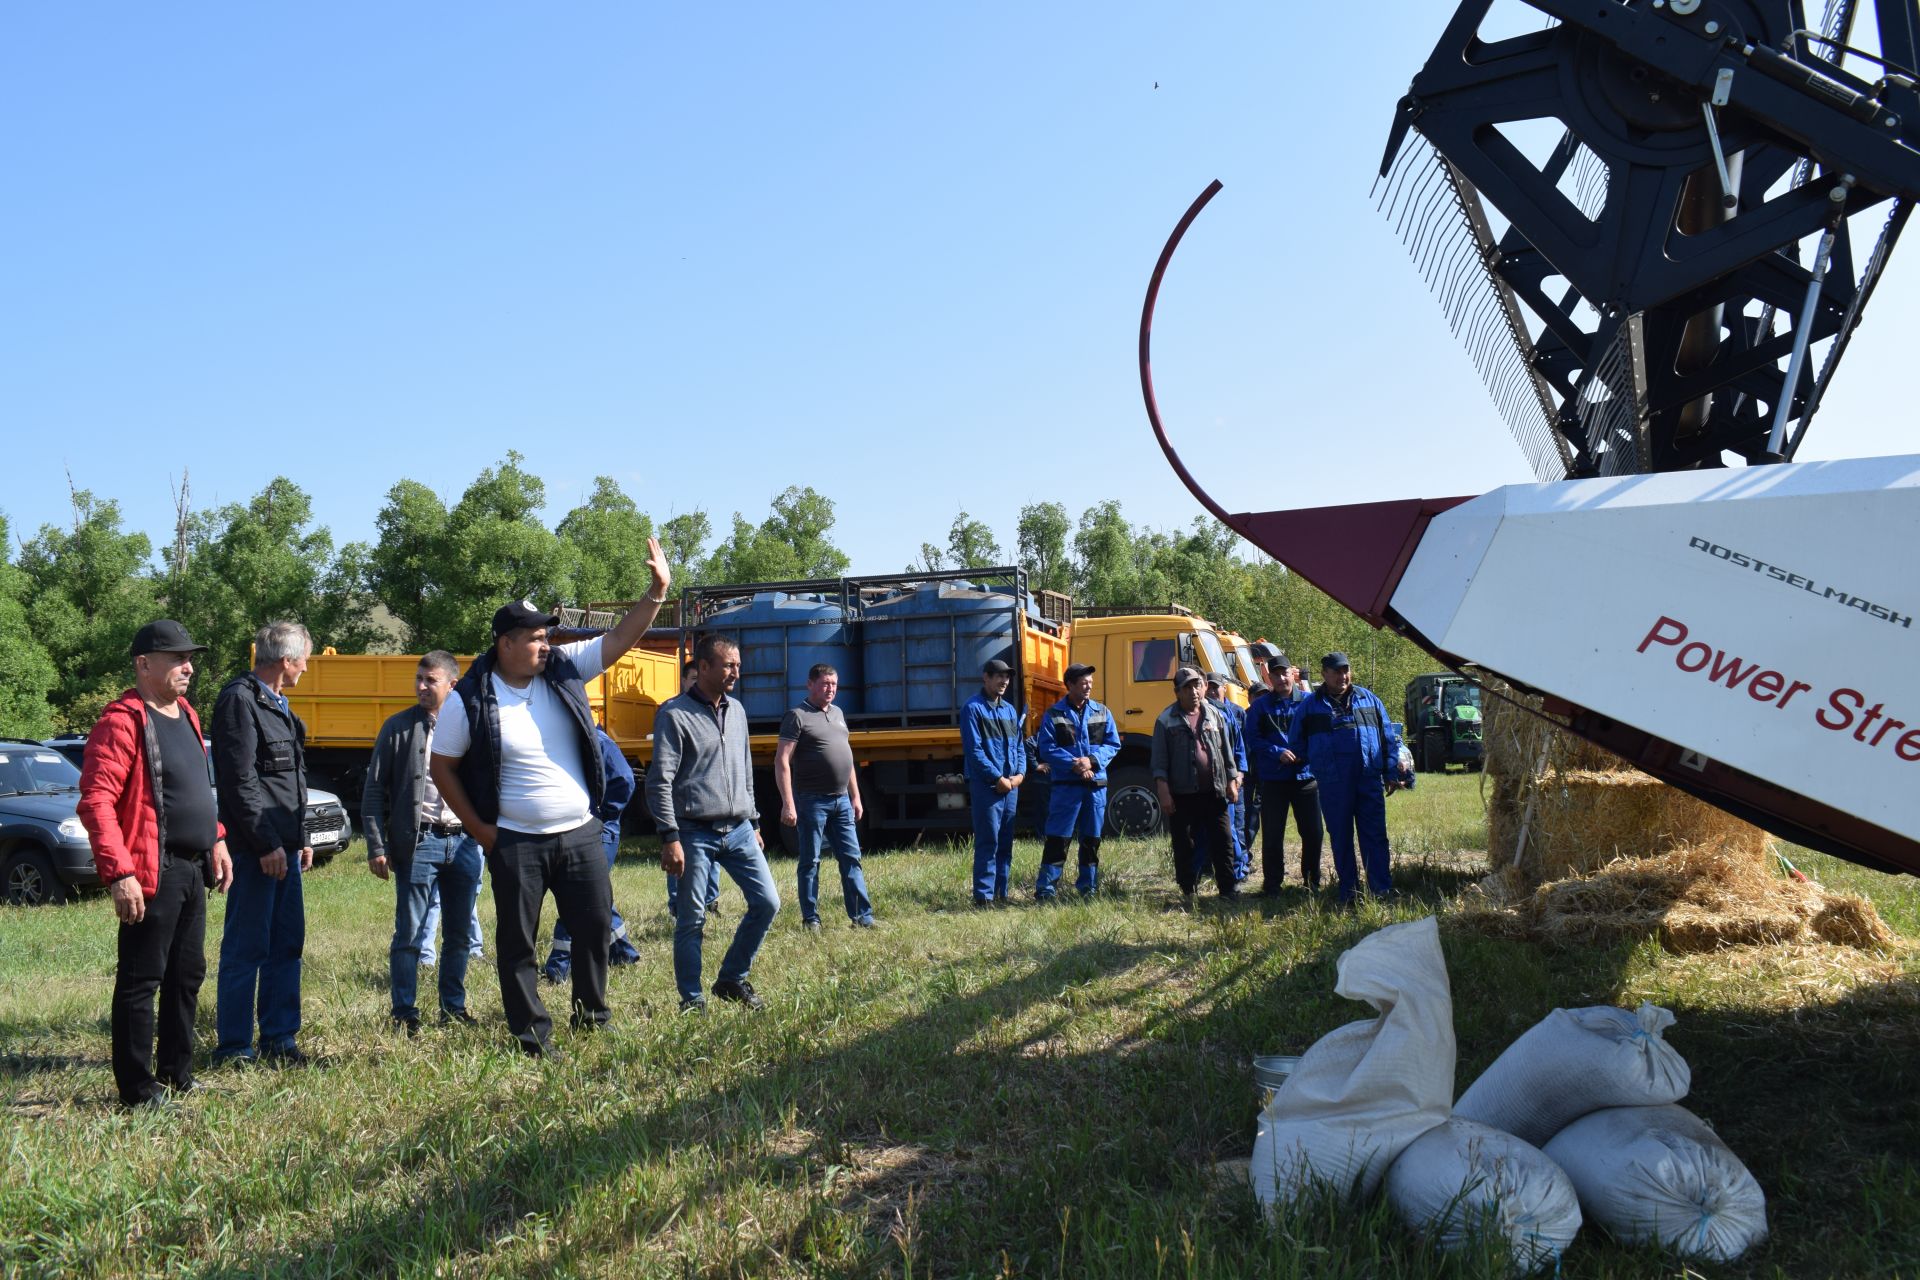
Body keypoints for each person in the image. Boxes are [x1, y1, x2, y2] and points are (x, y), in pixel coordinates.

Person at [428, 537, 671, 1058]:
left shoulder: (562, 669)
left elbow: (619, 640)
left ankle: (592, 1015)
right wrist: (482, 831)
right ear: (505, 644)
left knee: (594, 928)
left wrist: (656, 593)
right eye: (535, 639)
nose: (545, 645)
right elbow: (441, 766)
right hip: (516, 841)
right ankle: (531, 1034)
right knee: (518, 945)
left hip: (579, 832)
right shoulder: (469, 698)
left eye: (546, 637)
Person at [77, 620, 235, 1106]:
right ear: (144, 664)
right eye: (177, 659)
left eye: (190, 658)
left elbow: (194, 790)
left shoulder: (185, 712)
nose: (188, 667)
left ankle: (176, 1072)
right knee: (141, 980)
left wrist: (217, 839)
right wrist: (119, 871)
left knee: (187, 974)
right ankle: (137, 1088)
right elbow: (96, 800)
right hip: (152, 868)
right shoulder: (121, 721)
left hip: (193, 868)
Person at [646, 633, 782, 1012]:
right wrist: (669, 836)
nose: (736, 672)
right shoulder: (674, 715)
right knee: (692, 918)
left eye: (738, 665)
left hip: (738, 828)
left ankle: (731, 978)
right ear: (702, 667)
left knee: (768, 902)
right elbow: (660, 782)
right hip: (693, 831)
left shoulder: (737, 710)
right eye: (728, 665)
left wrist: (753, 820)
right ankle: (692, 999)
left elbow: (744, 769)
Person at [361, 651, 484, 1034]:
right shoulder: (398, 728)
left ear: (452, 684)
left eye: (430, 680)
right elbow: (373, 793)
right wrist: (377, 847)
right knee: (410, 933)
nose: (421, 687)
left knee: (460, 934)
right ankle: (404, 1014)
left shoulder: (472, 727)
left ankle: (453, 1008)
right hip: (420, 843)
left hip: (463, 844)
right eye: (418, 679)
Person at [212, 620, 314, 1067]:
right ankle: (235, 1047)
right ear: (286, 660)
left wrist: (300, 838)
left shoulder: (279, 704)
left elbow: (292, 781)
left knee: (287, 944)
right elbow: (240, 783)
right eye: (305, 659)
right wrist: (267, 844)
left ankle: (279, 1040)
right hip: (258, 852)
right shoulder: (240, 701)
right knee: (246, 947)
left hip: (284, 848)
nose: (307, 668)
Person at [1285, 652, 1410, 906]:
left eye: (1346, 670)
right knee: (1341, 837)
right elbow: (1296, 744)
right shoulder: (1310, 707)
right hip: (1333, 783)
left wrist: (1390, 772)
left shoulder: (1369, 700)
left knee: (1374, 835)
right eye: (1337, 671)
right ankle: (1349, 894)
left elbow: (1388, 739)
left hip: (1368, 778)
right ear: (1325, 674)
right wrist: (1317, 763)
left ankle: (1380, 890)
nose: (1343, 676)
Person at [776, 663, 875, 931]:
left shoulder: (839, 713)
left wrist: (856, 797)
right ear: (810, 684)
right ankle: (811, 918)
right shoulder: (797, 716)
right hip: (811, 801)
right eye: (824, 683)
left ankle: (862, 917)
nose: (830, 689)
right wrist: (789, 803)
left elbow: (847, 757)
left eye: (834, 684)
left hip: (841, 800)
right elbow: (782, 761)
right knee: (810, 861)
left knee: (851, 858)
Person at [541, 728, 643, 983]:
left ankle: (559, 968)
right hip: (588, 829)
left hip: (599, 831)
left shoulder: (598, 741)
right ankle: (622, 952)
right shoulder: (574, 739)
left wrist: (602, 815)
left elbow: (624, 780)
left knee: (576, 897)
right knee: (596, 897)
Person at [1150, 666, 1242, 906]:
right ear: (1177, 692)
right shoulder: (1165, 720)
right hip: (1182, 794)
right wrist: (1164, 791)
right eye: (1187, 687)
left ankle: (1227, 889)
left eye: (1197, 685)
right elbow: (1159, 761)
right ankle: (1188, 889)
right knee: (1184, 844)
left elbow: (1226, 752)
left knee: (1223, 841)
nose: (1194, 691)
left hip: (1215, 790)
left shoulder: (1215, 714)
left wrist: (1232, 780)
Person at [1034, 662, 1120, 900]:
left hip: (1095, 788)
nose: (1088, 686)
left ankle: (1088, 888)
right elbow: (1047, 748)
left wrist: (1091, 761)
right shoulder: (1054, 714)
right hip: (1067, 789)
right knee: (1057, 839)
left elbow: (1113, 744)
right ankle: (1046, 889)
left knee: (1091, 840)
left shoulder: (1102, 712)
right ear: (1069, 685)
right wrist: (1076, 764)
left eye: (1090, 682)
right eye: (1083, 682)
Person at [1245, 651, 1325, 894]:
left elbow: (1320, 735)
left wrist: (1304, 753)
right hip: (1274, 779)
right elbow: (1251, 738)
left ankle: (1311, 882)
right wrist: (1275, 751)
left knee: (1313, 833)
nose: (1281, 679)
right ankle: (1272, 885)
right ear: (1269, 679)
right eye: (1276, 675)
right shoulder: (1260, 707)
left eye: (1285, 673)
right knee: (1272, 834)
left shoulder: (1309, 702)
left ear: (1293, 673)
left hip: (1305, 778)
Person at [960, 657, 1026, 907]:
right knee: (989, 840)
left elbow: (1020, 745)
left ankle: (1002, 892)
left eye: (1006, 677)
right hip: (988, 786)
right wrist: (996, 778)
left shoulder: (1008, 709)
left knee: (1006, 841)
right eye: (998, 676)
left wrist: (1020, 774)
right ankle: (984, 897)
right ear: (985, 678)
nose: (1003, 681)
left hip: (1010, 787)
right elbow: (974, 750)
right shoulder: (973, 708)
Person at [665, 658, 721, 918]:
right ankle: (677, 904)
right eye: (694, 680)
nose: (699, 685)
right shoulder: (670, 710)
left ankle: (711, 901)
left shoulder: (714, 709)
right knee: (681, 857)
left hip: (711, 799)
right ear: (683, 681)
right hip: (682, 802)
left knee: (713, 856)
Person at [1203, 672, 1253, 884]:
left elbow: (1242, 747)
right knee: (1213, 827)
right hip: (1211, 780)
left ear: (1225, 688)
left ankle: (1239, 870)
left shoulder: (1236, 713)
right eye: (1210, 687)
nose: (1214, 691)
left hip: (1234, 780)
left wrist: (1240, 774)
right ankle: (1211, 867)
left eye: (1217, 687)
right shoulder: (1202, 713)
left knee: (1237, 826)